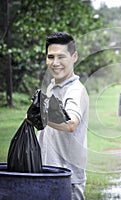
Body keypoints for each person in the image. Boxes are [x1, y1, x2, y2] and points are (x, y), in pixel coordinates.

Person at [37, 32, 89, 200]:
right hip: (50, 173)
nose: (55, 63)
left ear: (74, 57)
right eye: (50, 57)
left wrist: (40, 116)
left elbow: (71, 123)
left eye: (61, 57)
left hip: (68, 180)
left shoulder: (75, 91)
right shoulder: (54, 86)